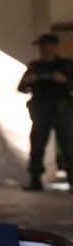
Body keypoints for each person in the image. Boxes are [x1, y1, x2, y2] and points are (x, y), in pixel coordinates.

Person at [17, 33, 73, 191]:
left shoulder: (65, 65)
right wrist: (29, 81)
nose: (42, 49)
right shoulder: (35, 66)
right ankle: (35, 180)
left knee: (68, 146)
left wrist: (65, 81)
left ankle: (72, 179)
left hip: (62, 111)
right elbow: (21, 87)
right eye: (40, 45)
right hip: (41, 111)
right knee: (37, 147)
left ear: (54, 46)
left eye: (44, 45)